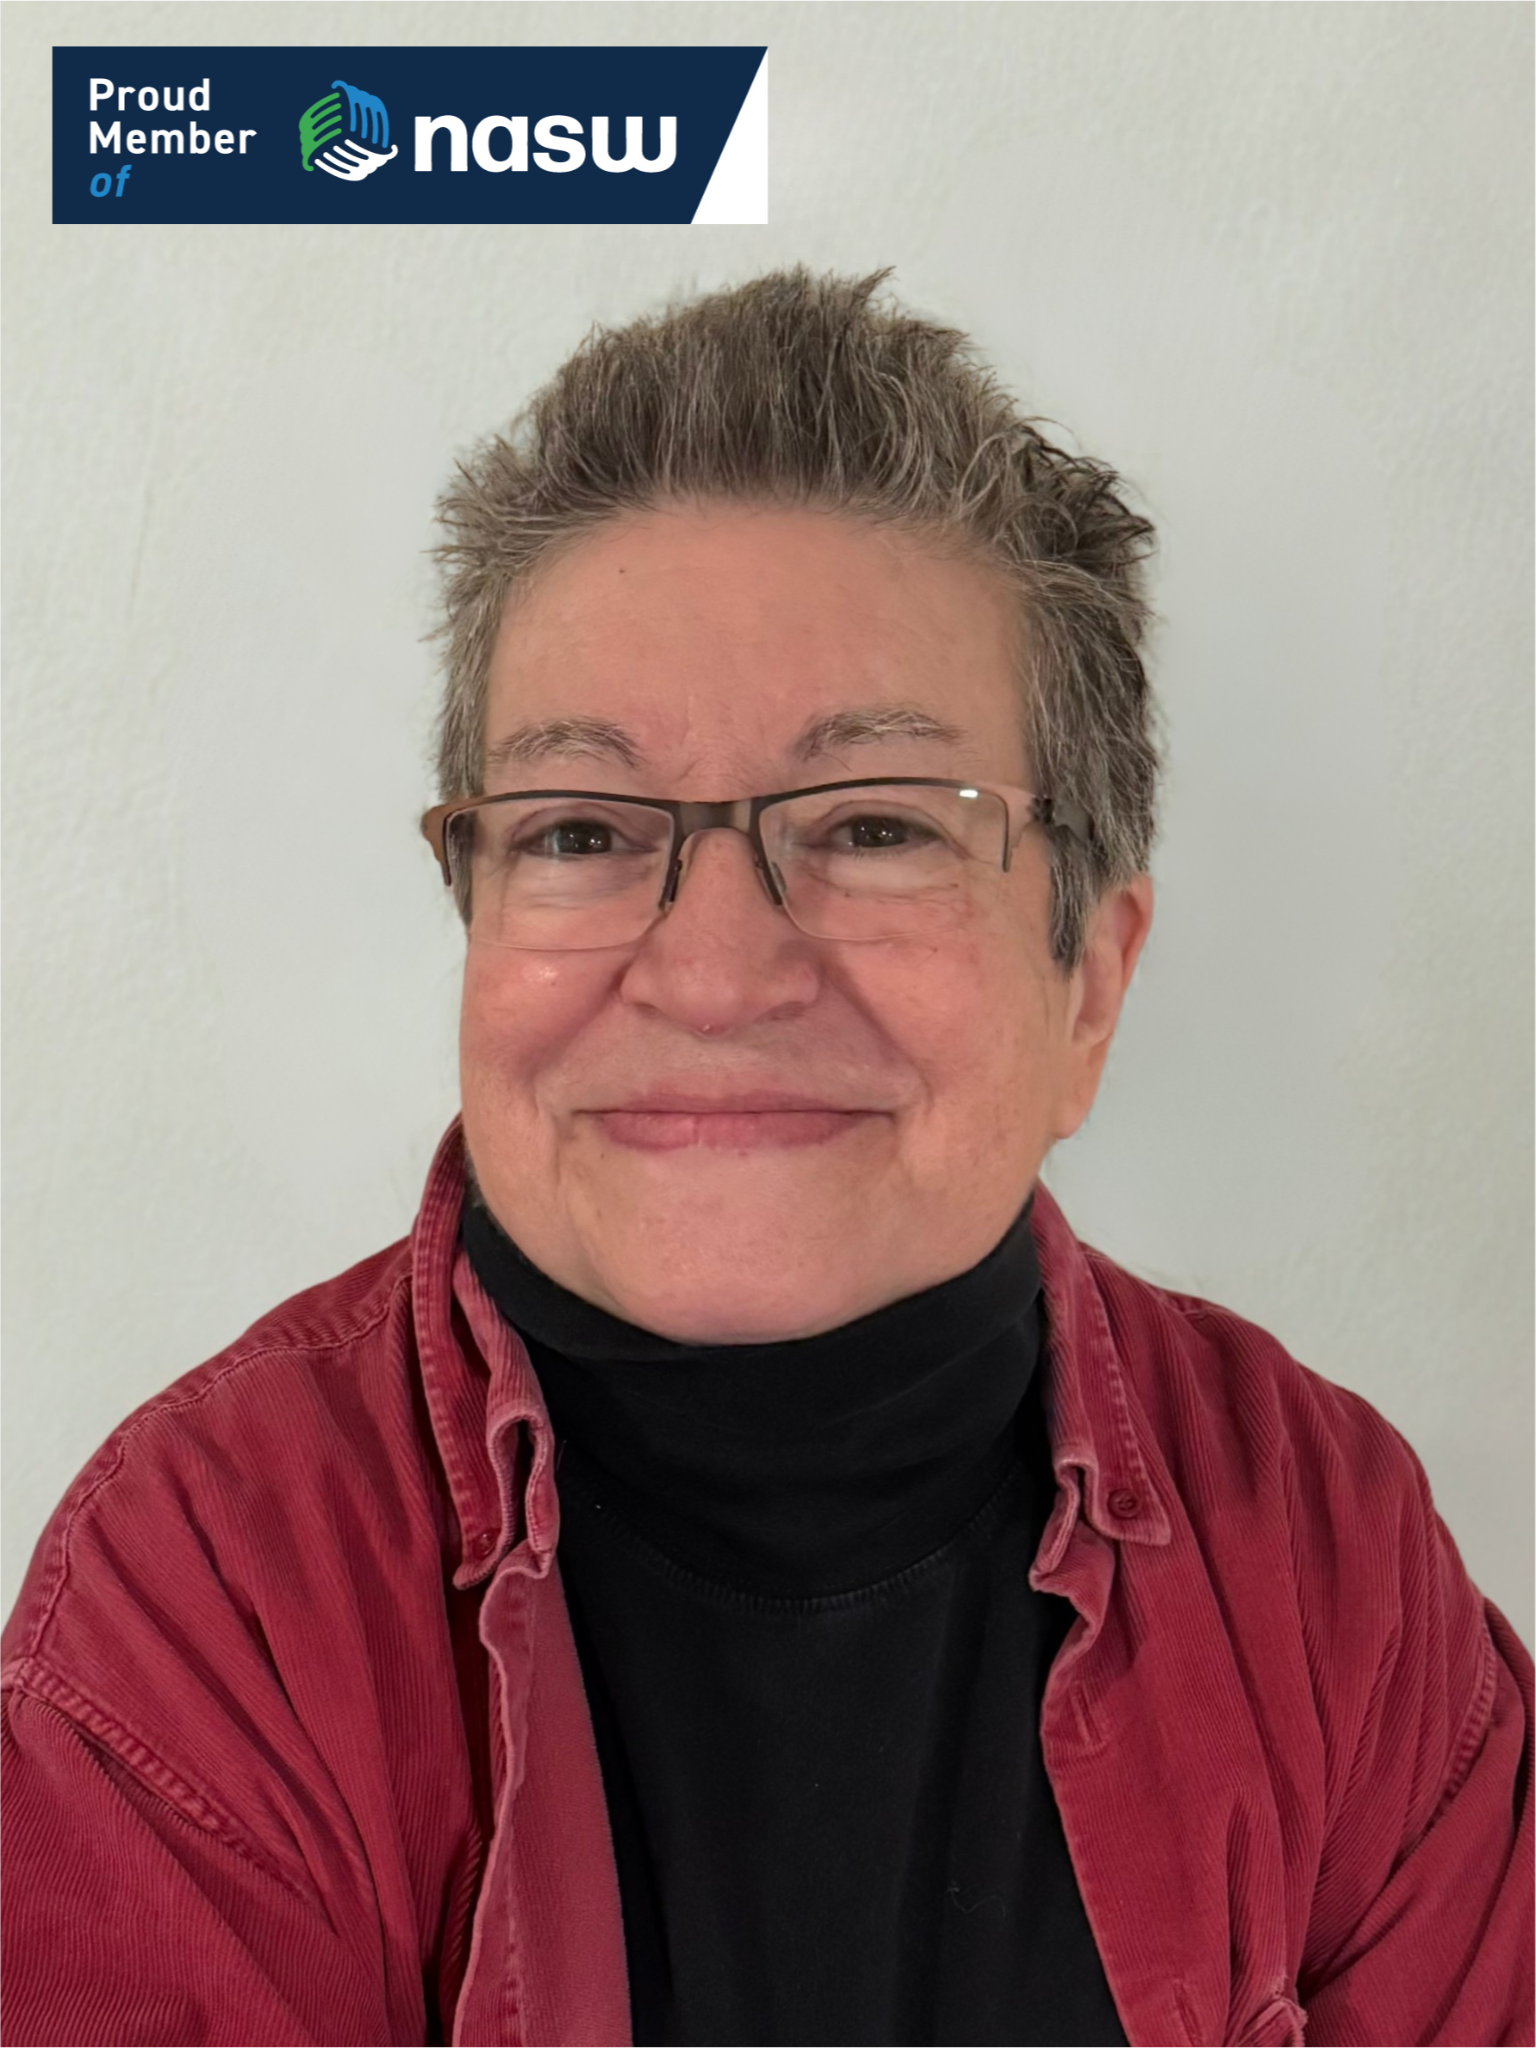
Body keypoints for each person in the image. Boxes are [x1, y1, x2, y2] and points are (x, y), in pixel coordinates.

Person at [1, 269, 1529, 2048]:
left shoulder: (1333, 1551)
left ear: (1091, 986)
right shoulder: (216, 1595)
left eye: (876, 824)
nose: (715, 972)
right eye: (581, 827)